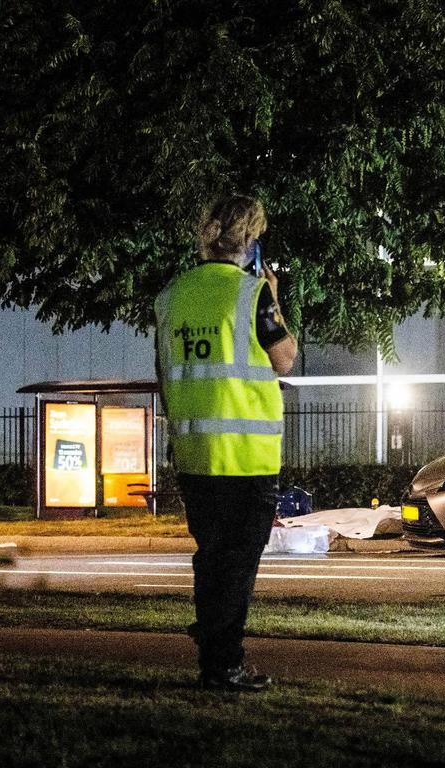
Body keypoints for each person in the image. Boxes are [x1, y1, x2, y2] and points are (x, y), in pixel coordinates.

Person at [154, 195, 297, 691]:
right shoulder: (252, 295)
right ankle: (223, 662)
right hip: (246, 459)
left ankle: (215, 649)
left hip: (194, 456)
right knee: (236, 564)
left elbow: (164, 372)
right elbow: (285, 360)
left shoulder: (170, 297)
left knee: (212, 557)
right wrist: (273, 295)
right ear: (251, 242)